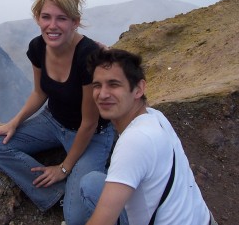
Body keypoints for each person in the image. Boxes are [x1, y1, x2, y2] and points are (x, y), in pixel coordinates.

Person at [0, 0, 115, 225]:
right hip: (52, 121)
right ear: (37, 18)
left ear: (75, 22)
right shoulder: (37, 47)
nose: (52, 26)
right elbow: (40, 92)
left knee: (75, 220)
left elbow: (89, 122)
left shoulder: (88, 57)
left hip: (92, 134)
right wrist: (14, 122)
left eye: (62, 19)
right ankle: (56, 193)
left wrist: (62, 168)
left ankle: (91, 188)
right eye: (46, 17)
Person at [80, 48, 218, 225]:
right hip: (203, 219)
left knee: (91, 185)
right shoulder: (155, 117)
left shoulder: (134, 141)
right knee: (92, 182)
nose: (103, 94)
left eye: (114, 84)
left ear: (138, 89)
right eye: (97, 85)